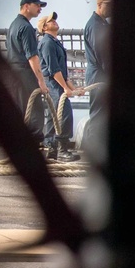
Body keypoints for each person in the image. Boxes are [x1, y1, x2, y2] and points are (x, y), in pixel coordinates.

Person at [36, 11, 80, 161]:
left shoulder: (54, 42)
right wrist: (66, 89)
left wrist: (73, 89)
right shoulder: (47, 43)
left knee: (54, 115)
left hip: (56, 81)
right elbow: (54, 69)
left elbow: (62, 71)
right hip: (53, 82)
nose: (54, 21)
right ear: (44, 27)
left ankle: (52, 149)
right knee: (64, 113)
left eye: (54, 19)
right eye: (50, 21)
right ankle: (62, 150)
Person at [7, 0, 49, 139]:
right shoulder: (26, 28)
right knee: (35, 108)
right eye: (37, 5)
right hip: (24, 71)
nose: (40, 9)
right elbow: (32, 57)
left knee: (20, 107)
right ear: (26, 6)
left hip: (13, 72)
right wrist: (41, 82)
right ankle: (36, 143)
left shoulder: (13, 25)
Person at [83, 0, 111, 112]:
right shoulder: (96, 26)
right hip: (98, 75)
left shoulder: (103, 23)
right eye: (108, 5)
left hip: (100, 73)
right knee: (98, 113)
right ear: (99, 5)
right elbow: (102, 53)